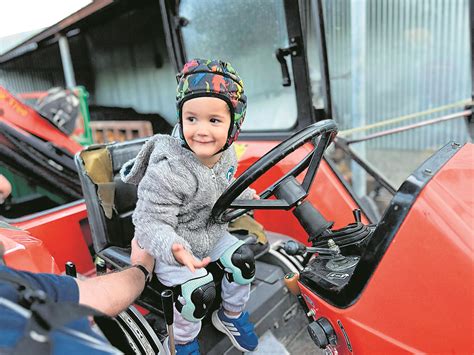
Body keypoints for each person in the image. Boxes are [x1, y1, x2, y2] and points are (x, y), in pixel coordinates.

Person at [120, 58, 259, 354]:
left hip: (209, 231)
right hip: (175, 242)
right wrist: (173, 247)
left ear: (234, 125)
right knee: (197, 293)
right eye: (191, 119)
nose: (201, 131)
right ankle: (180, 342)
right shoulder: (168, 171)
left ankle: (230, 316)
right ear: (180, 118)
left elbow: (225, 186)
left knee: (243, 261)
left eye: (215, 120)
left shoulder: (227, 155)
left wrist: (247, 196)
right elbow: (148, 223)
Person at [0, 238, 154, 353]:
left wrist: (142, 267)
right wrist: (143, 267)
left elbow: (99, 296)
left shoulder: (6, 281)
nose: (6, 192)